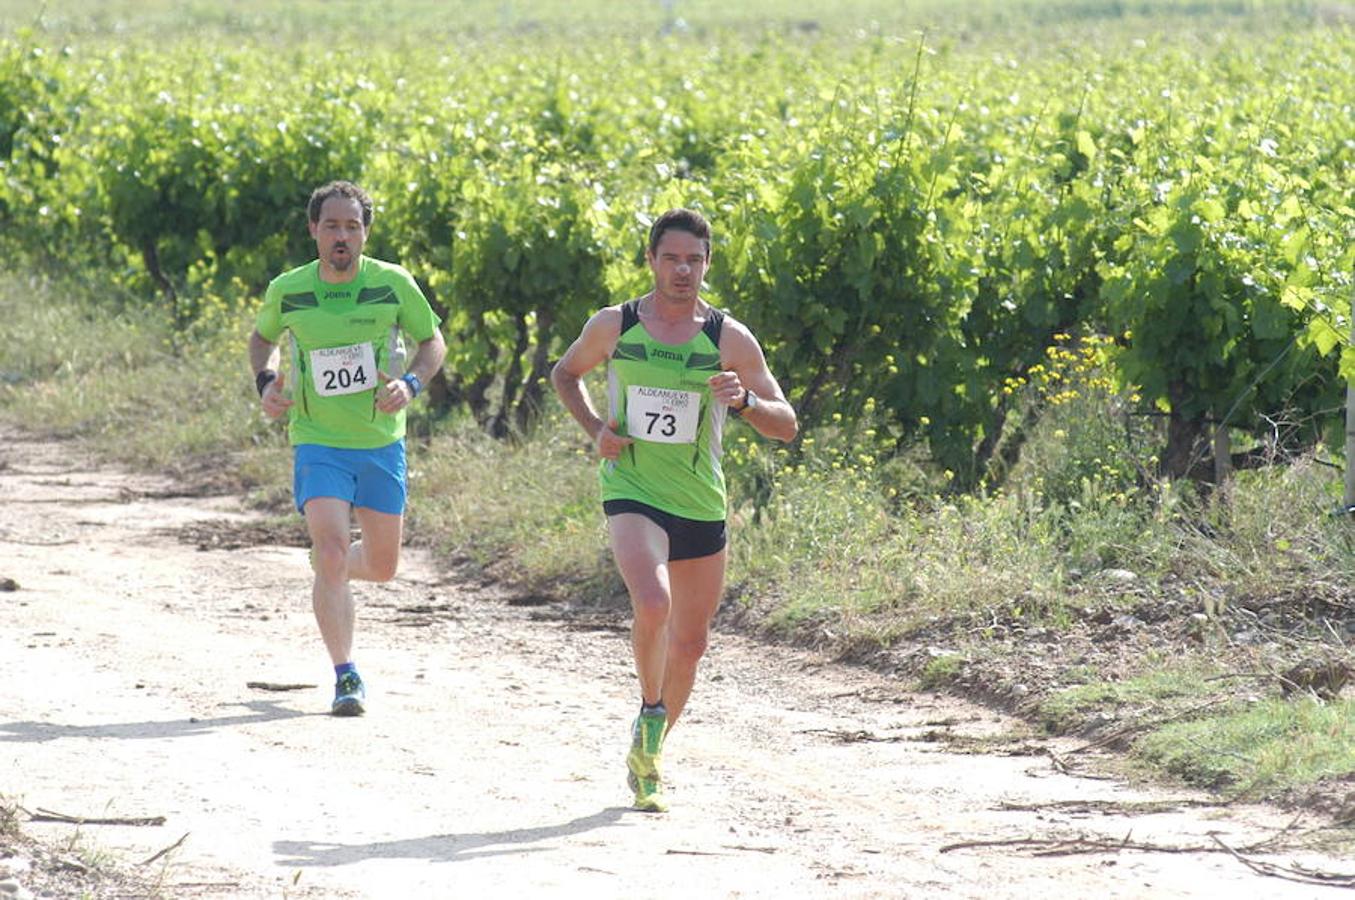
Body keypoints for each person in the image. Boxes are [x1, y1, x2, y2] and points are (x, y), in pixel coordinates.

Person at [551, 208, 798, 811]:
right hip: (632, 490)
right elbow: (566, 374)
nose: (682, 270)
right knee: (654, 603)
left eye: (694, 259)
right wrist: (596, 432)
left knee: (690, 643)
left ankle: (650, 743)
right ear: (651, 261)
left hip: (700, 501)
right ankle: (652, 707)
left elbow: (786, 425)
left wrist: (743, 403)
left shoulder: (728, 339)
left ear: (707, 264)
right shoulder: (617, 325)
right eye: (671, 258)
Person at [248, 180, 447, 717]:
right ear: (313, 229)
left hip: (381, 443)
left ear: (365, 232)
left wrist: (411, 385)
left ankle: (328, 568)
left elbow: (433, 341)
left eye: (352, 226)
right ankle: (346, 674)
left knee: (382, 567)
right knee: (333, 551)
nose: (342, 236)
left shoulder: (392, 284)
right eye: (332, 225)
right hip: (317, 441)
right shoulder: (289, 289)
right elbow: (262, 337)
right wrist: (266, 382)